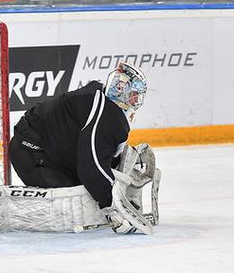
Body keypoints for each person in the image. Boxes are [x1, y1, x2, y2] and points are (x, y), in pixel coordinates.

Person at [8, 61, 154, 233]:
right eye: (134, 94)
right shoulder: (108, 116)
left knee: (94, 190)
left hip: (48, 151)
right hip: (32, 154)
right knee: (80, 204)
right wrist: (112, 206)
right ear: (122, 92)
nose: (136, 100)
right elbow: (91, 168)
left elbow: (96, 157)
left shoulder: (100, 99)